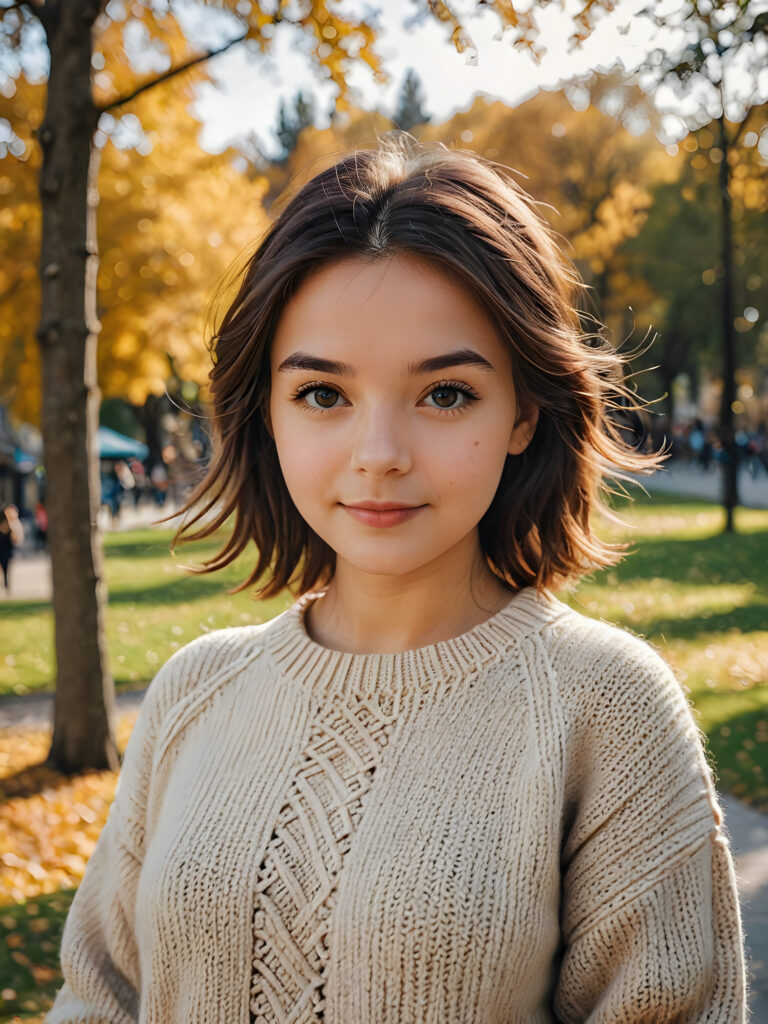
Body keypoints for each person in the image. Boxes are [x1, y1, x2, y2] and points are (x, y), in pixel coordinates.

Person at [48, 141, 748, 1023]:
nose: (378, 456)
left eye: (445, 393)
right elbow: (97, 996)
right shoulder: (195, 691)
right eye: (323, 395)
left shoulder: (605, 708)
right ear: (266, 410)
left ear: (524, 413)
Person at [0, 503, 24, 591]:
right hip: (3, 550)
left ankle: (6, 584)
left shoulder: (12, 525)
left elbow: (17, 538)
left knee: (5, 568)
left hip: (6, 551)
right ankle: (6, 583)